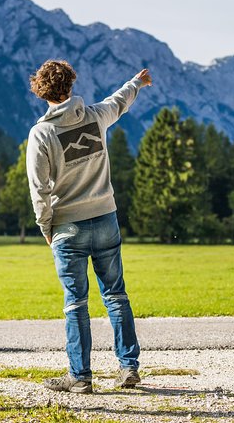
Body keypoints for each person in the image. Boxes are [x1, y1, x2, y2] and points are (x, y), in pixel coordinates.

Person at [26, 60, 152, 393]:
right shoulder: (94, 117)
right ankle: (129, 368)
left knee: (76, 303)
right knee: (116, 295)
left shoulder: (42, 133)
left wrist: (46, 229)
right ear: (70, 83)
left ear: (41, 90)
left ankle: (80, 377)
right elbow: (119, 101)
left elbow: (38, 189)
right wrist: (136, 82)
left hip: (68, 226)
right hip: (106, 218)